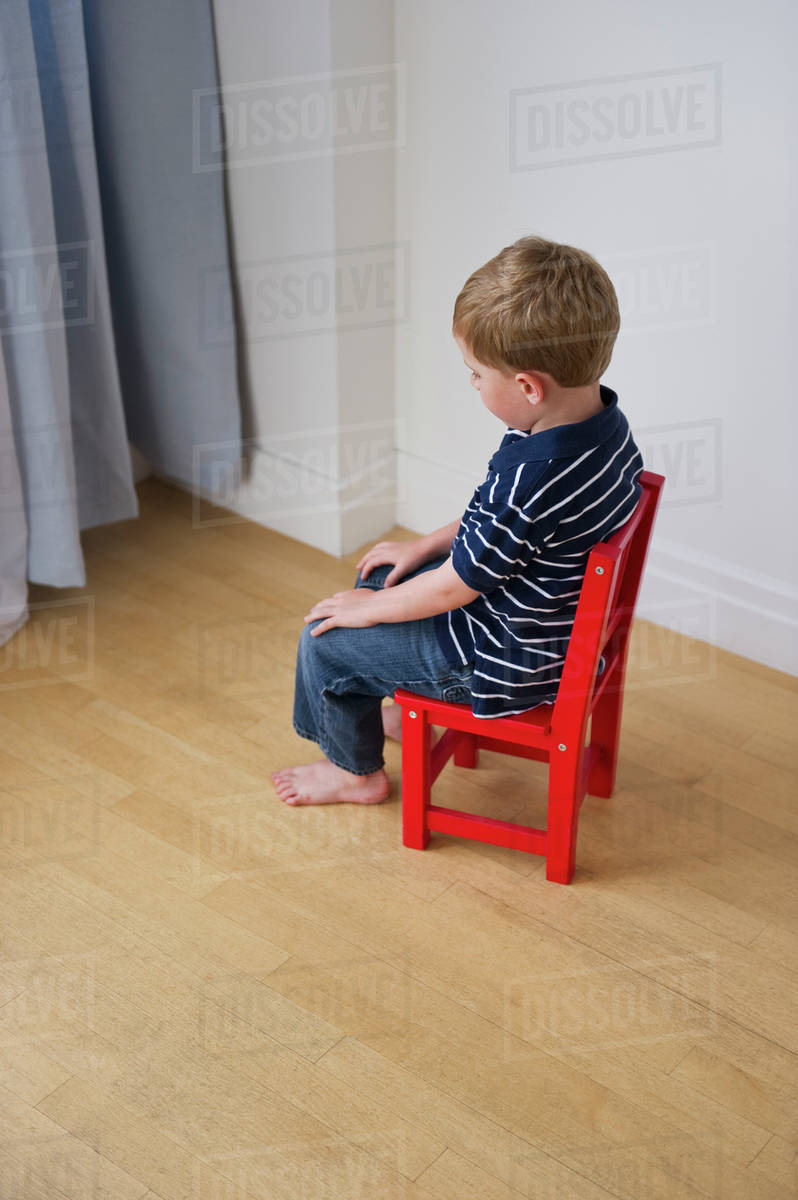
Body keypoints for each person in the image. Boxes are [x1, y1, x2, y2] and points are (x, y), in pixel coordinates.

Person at [271, 235, 644, 807]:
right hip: (549, 629)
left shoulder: (532, 482)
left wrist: (369, 609)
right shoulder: (604, 427)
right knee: (384, 578)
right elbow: (492, 529)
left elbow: (456, 585)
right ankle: (389, 700)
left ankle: (355, 772)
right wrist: (422, 546)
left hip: (499, 659)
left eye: (475, 374)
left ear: (527, 386)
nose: (471, 383)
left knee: (325, 642)